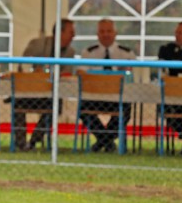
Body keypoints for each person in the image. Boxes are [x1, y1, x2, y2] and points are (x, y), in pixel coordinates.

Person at [14, 19, 77, 151]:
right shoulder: (38, 44)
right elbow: (23, 65)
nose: (73, 36)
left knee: (55, 106)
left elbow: (67, 73)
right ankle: (20, 143)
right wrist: (36, 72)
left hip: (50, 95)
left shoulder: (70, 52)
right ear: (60, 32)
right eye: (71, 32)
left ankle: (33, 141)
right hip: (30, 91)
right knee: (17, 103)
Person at [80, 18, 136, 152]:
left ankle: (102, 142)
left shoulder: (126, 53)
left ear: (115, 33)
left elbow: (130, 74)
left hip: (118, 97)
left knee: (126, 109)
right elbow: (80, 72)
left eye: (109, 31)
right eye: (102, 31)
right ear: (97, 34)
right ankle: (107, 141)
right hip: (95, 97)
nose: (106, 34)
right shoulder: (88, 53)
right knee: (83, 108)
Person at [157, 21, 182, 146]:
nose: (178, 36)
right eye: (177, 33)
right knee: (167, 108)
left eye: (181, 33)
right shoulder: (166, 50)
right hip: (171, 95)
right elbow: (162, 71)